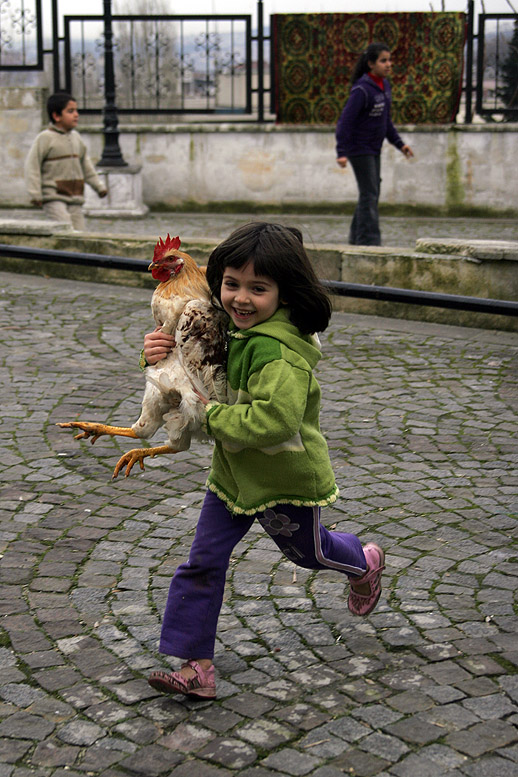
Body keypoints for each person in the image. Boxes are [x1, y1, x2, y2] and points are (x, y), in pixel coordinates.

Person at [144, 222, 385, 700]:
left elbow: (275, 420)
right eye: (231, 284)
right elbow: (195, 370)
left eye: (259, 289)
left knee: (309, 554)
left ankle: (363, 561)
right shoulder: (221, 325)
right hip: (232, 478)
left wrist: (210, 419)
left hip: (283, 479)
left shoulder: (280, 355)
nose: (240, 299)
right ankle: (197, 667)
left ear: (284, 292)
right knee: (203, 562)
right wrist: (158, 352)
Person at [335, 42, 414, 246]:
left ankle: (356, 238)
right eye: (383, 60)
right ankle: (369, 242)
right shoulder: (362, 90)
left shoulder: (383, 86)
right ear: (371, 64)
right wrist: (341, 152)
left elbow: (385, 121)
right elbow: (345, 121)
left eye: (389, 60)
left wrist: (400, 144)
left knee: (371, 191)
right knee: (370, 192)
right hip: (358, 149)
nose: (389, 64)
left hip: (373, 148)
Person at [25, 91, 107, 232]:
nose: (76, 115)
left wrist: (99, 186)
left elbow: (86, 166)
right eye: (70, 111)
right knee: (64, 231)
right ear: (56, 116)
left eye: (76, 110)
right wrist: (35, 193)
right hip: (54, 197)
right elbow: (32, 166)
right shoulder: (45, 138)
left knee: (79, 233)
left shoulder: (76, 138)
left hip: (75, 197)